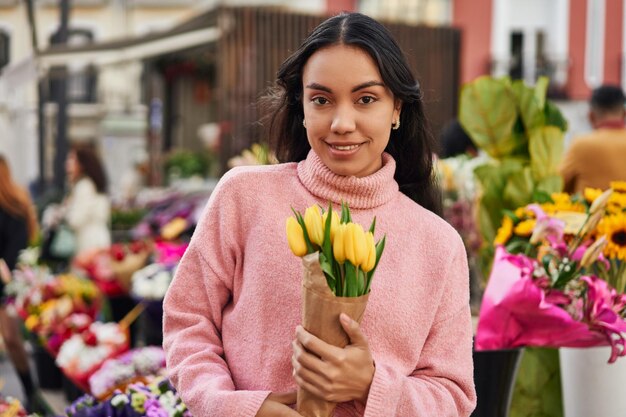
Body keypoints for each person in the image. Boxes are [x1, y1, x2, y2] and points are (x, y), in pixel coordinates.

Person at [163, 12, 476, 417]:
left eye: (366, 99)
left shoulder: (438, 244)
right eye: (322, 100)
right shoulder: (244, 197)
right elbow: (188, 322)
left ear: (396, 108)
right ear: (303, 107)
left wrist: (371, 386)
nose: (342, 123)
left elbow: (453, 395)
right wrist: (239, 409)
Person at [0, 155, 40, 410]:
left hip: (6, 284)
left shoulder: (14, 206)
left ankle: (30, 392)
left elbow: (17, 249)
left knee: (12, 339)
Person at [560, 85, 626, 194]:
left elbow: (558, 184)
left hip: (589, 209)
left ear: (591, 116)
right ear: (624, 114)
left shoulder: (581, 145)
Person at [64, 144, 111, 253]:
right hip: (100, 240)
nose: (68, 164)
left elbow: (75, 220)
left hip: (88, 244)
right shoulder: (91, 184)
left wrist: (66, 210)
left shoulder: (84, 186)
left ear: (82, 164)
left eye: (72, 159)